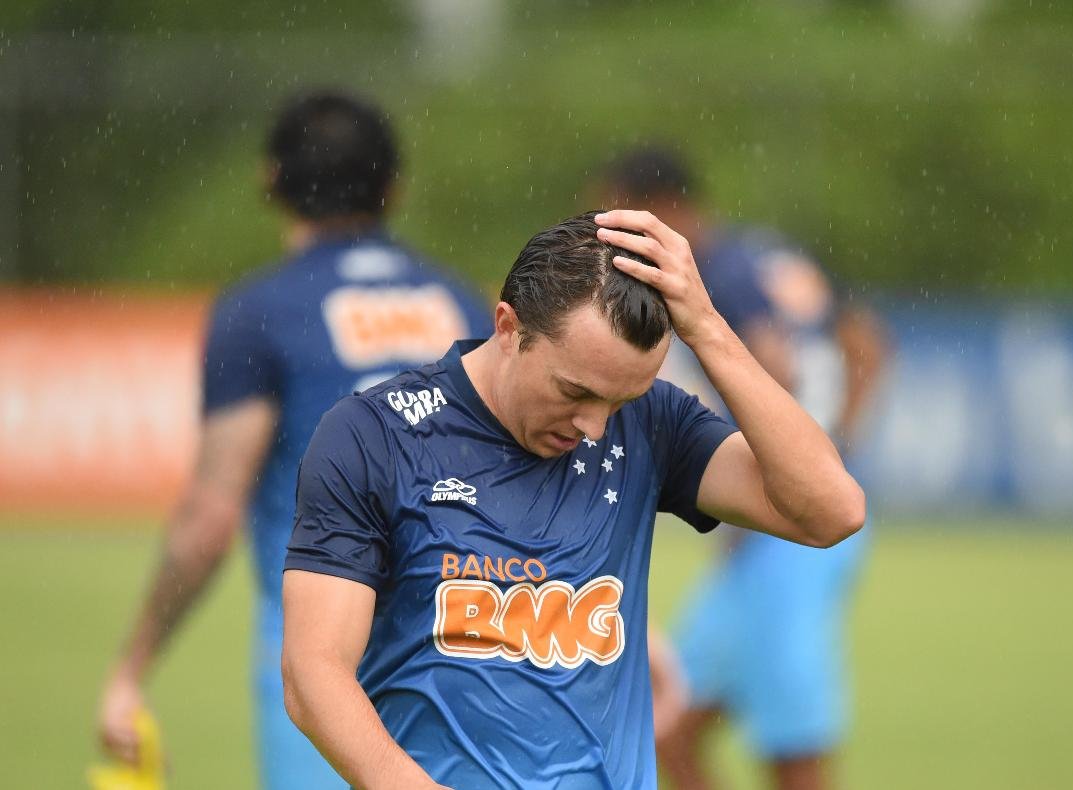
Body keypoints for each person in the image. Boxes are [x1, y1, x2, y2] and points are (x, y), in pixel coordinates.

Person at [281, 209, 866, 788]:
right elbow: (314, 671)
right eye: (575, 391)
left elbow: (830, 511)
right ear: (508, 328)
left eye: (619, 399)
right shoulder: (375, 435)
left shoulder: (650, 421)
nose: (594, 427)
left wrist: (708, 327)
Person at [96, 90, 492, 790]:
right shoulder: (461, 301)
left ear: (269, 182)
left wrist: (132, 669)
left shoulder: (258, 312)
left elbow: (211, 517)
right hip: (472, 645)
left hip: (328, 654)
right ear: (393, 187)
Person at [600, 147, 889, 790]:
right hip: (767, 538)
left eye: (619, 213)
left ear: (660, 208)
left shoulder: (711, 272)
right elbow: (868, 341)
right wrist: (833, 444)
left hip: (791, 539)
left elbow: (773, 368)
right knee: (665, 722)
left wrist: (778, 475)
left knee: (794, 750)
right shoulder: (766, 253)